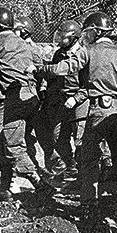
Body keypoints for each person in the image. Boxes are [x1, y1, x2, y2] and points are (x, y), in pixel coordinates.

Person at [41, 11, 117, 223]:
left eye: (88, 31)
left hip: (98, 112)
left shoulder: (89, 51)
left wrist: (40, 69)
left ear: (94, 31)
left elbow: (66, 68)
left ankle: (88, 209)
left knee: (89, 159)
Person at [0, 6, 49, 201]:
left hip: (16, 98)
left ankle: (41, 184)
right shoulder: (22, 42)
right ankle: (4, 187)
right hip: (31, 98)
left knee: (12, 145)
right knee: (3, 143)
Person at [32, 20, 84, 179]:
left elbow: (90, 83)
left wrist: (76, 98)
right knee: (58, 137)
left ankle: (85, 175)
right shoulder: (59, 53)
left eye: (64, 36)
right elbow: (53, 78)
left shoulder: (84, 53)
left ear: (74, 38)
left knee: (80, 138)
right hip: (61, 100)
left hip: (80, 100)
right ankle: (70, 167)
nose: (60, 39)